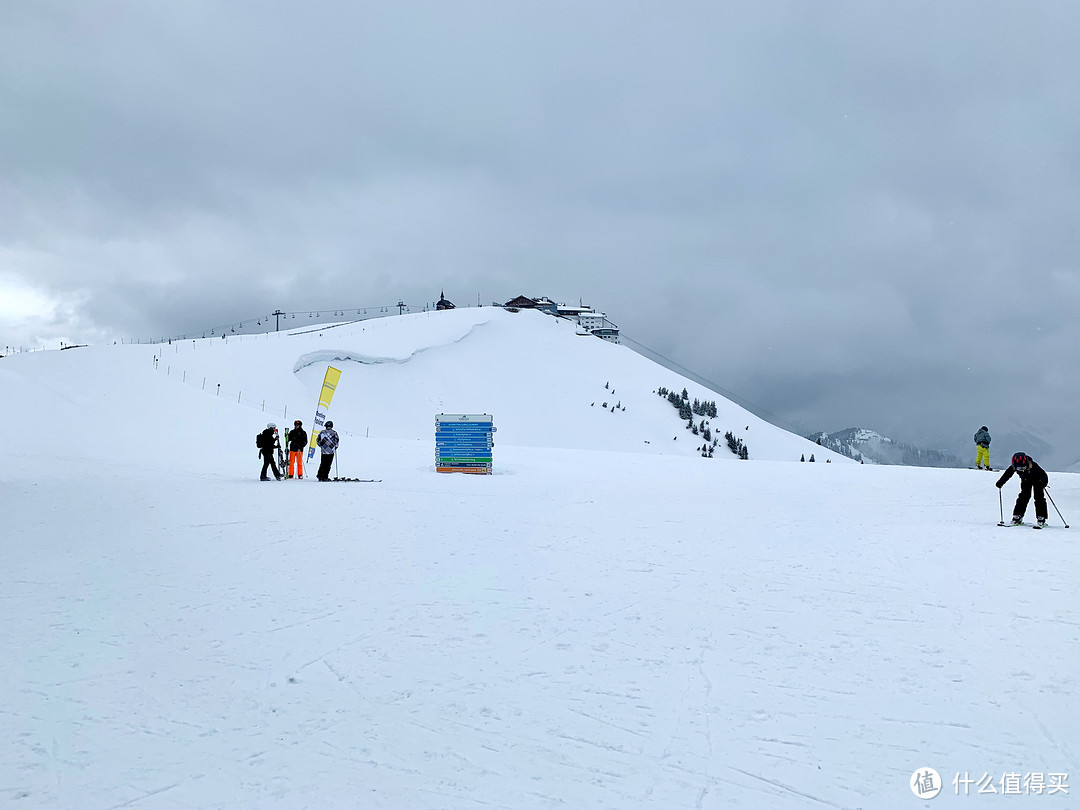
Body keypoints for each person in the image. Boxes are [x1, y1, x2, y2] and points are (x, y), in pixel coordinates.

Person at [996, 452, 1048, 526]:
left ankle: (1041, 517)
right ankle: (1017, 515)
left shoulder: (1033, 465)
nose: (1020, 470)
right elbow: (1007, 474)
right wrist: (1001, 482)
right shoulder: (1014, 466)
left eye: (1022, 468)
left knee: (1039, 497)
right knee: (1023, 497)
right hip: (1025, 480)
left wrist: (1043, 483)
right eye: (1019, 468)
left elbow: (1044, 475)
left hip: (1038, 481)